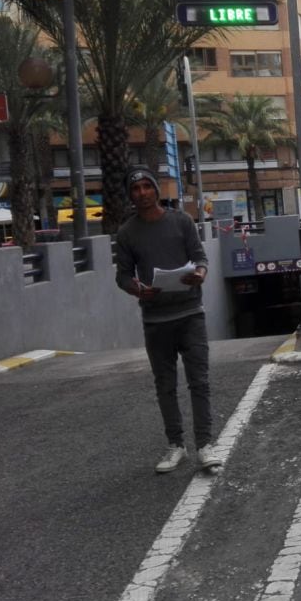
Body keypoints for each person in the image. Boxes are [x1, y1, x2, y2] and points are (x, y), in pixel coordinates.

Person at [115, 167, 221, 472]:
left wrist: (199, 274)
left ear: (156, 189)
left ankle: (205, 445)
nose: (142, 193)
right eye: (136, 189)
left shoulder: (182, 220)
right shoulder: (127, 232)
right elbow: (122, 275)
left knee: (199, 382)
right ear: (130, 194)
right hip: (155, 319)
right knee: (165, 385)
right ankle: (176, 445)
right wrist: (137, 289)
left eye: (147, 186)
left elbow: (200, 257)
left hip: (190, 314)